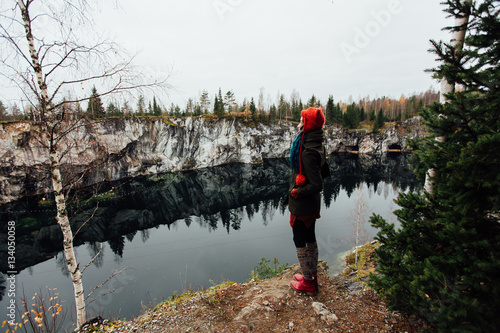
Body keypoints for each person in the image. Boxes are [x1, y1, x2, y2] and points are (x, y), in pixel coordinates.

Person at [288, 106, 326, 295]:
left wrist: (297, 192)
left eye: (302, 120)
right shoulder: (315, 142)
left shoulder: (308, 151)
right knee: (310, 237)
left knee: (300, 239)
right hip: (309, 204)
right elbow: (325, 171)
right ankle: (312, 275)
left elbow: (317, 184)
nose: (299, 122)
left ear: (308, 124)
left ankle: (308, 282)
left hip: (303, 205)